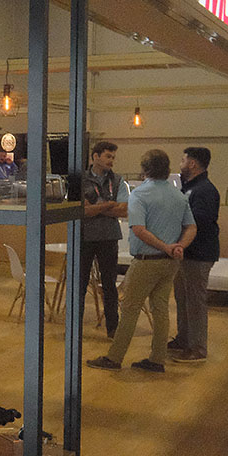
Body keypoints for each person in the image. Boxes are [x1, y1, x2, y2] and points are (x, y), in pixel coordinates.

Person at [87, 149, 196, 373]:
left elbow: (138, 229)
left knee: (129, 309)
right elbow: (191, 227)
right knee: (161, 309)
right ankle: (157, 359)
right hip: (170, 262)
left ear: (145, 169)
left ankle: (114, 358)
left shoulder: (140, 194)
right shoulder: (178, 195)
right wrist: (178, 246)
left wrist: (165, 246)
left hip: (146, 260)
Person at [169, 147, 220, 363]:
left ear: (192, 164)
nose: (180, 164)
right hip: (185, 252)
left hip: (198, 254)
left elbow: (199, 222)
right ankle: (184, 339)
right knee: (182, 298)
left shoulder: (204, 190)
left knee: (195, 301)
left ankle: (197, 348)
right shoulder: (188, 188)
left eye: (183, 160)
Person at [73, 141, 128, 339]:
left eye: (113, 157)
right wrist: (108, 205)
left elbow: (123, 210)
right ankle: (74, 329)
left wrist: (95, 207)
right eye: (108, 156)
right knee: (79, 284)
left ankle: (113, 329)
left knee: (109, 285)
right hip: (84, 237)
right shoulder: (79, 179)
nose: (111, 161)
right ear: (95, 156)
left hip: (109, 237)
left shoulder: (118, 180)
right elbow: (81, 211)